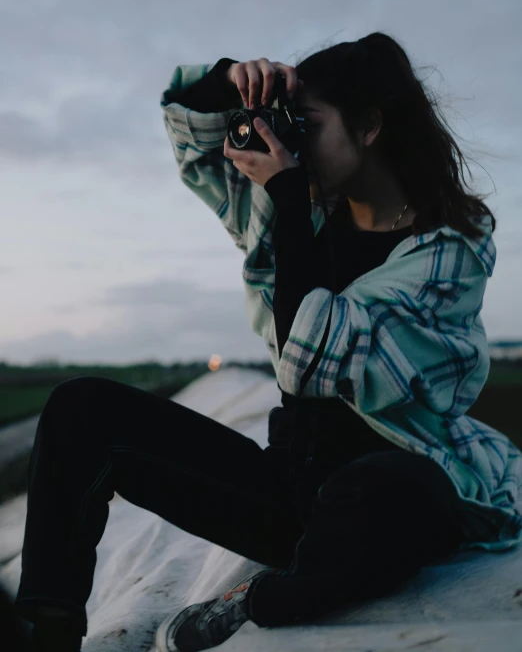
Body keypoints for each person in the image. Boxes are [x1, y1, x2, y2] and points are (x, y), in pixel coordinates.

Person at [13, 33, 522, 652]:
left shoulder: (449, 252)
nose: (293, 145)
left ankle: (256, 601)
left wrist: (285, 193)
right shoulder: (300, 205)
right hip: (288, 485)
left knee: (395, 496)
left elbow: (309, 357)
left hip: (385, 484)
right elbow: (193, 141)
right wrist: (233, 81)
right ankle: (46, 632)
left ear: (369, 128)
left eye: (306, 125)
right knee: (79, 408)